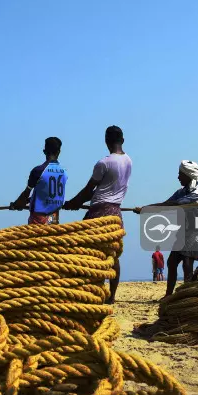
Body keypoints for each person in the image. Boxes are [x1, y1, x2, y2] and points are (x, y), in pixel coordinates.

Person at [62, 125, 131, 304]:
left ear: (106, 141)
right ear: (122, 140)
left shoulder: (104, 163)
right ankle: (112, 296)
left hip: (99, 211)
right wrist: (78, 202)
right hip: (116, 212)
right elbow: (108, 188)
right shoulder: (128, 161)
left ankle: (91, 289)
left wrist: (73, 203)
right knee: (113, 255)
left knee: (86, 250)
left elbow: (88, 190)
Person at [135, 161, 198, 298]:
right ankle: (169, 295)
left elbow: (173, 204)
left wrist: (146, 209)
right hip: (184, 231)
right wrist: (145, 209)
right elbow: (165, 204)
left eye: (180, 174)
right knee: (172, 262)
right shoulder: (181, 192)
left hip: (196, 231)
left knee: (187, 262)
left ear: (188, 175)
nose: (178, 177)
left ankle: (187, 295)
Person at [9, 137, 68, 225]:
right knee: (51, 238)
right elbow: (47, 195)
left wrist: (16, 205)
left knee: (37, 238)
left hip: (39, 218)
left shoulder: (38, 171)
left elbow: (26, 194)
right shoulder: (64, 172)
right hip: (54, 217)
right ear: (59, 152)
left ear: (44, 151)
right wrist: (28, 200)